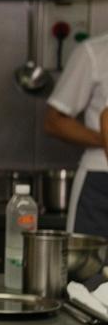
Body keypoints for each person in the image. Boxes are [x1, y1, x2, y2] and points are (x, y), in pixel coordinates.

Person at [44, 31, 108, 234]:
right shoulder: (94, 51)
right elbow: (54, 121)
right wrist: (104, 139)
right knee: (88, 263)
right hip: (99, 182)